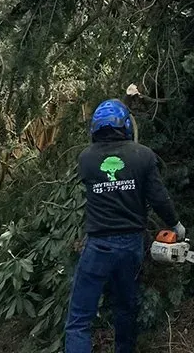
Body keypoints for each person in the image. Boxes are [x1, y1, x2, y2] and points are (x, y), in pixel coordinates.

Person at [64, 98, 184, 353]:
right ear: (126, 125)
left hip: (99, 246)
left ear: (95, 128)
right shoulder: (142, 156)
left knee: (79, 320)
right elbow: (159, 197)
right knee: (126, 309)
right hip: (131, 246)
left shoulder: (86, 158)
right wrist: (175, 224)